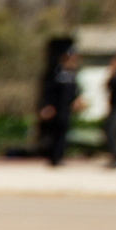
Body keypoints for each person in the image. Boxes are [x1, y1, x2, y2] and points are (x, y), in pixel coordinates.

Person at [36, 36, 80, 165]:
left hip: (66, 108)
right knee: (52, 132)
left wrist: (77, 100)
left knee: (63, 131)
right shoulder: (54, 72)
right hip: (55, 107)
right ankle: (52, 157)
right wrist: (46, 105)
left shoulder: (72, 73)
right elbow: (47, 90)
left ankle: (59, 156)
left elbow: (75, 90)